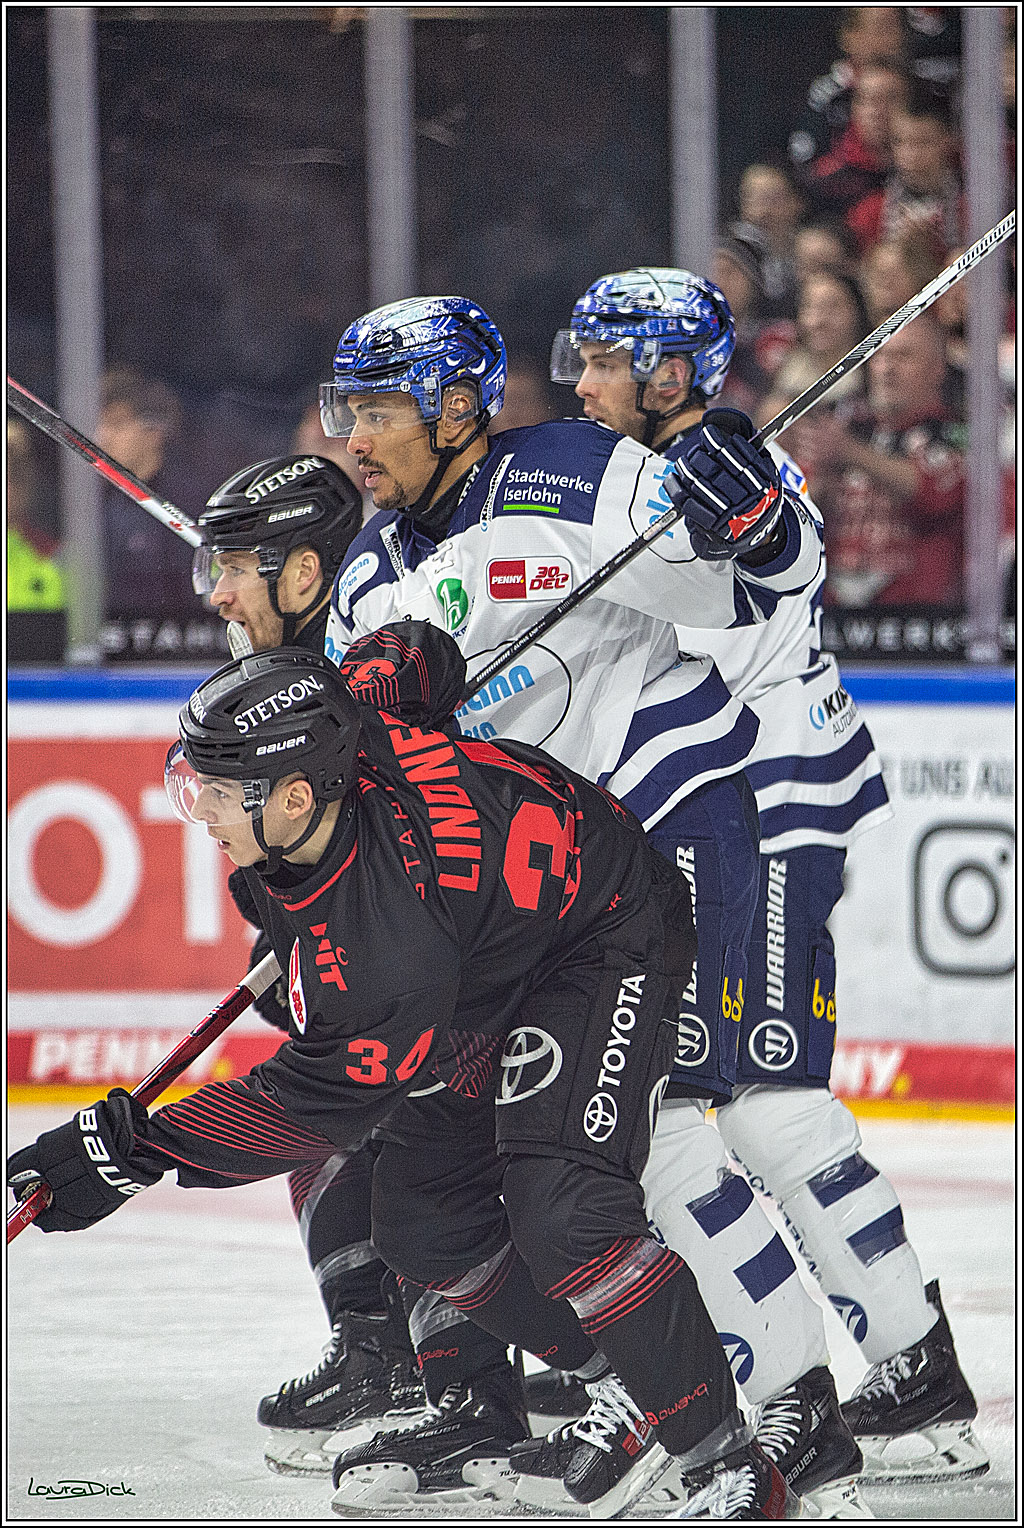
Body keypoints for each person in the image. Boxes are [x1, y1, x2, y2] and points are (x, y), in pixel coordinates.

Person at [8, 636, 802, 1522]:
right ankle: (622, 1373)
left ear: (300, 796)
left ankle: (725, 1462)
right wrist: (382, 668)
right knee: (425, 1224)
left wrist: (134, 1149)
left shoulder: (388, 944)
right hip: (489, 955)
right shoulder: (352, 726)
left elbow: (309, 1109)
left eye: (221, 796)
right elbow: (424, 654)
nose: (203, 814)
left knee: (565, 1206)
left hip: (604, 937)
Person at [318, 292, 857, 1516]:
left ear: (461, 408)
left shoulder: (573, 474)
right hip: (544, 896)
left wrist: (754, 519)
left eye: (382, 408)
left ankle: (785, 1405)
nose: (355, 434)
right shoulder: (367, 572)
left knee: (651, 1139)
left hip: (672, 833)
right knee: (527, 1161)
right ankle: (684, 1385)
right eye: (345, 406)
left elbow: (755, 579)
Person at [555, 268, 987, 1492]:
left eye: (601, 363)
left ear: (670, 374)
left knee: (753, 1108)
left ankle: (886, 1382)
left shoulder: (728, 465)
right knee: (739, 1107)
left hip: (761, 808)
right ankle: (898, 1374)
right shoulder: (650, 469)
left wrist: (737, 506)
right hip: (732, 809)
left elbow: (769, 569)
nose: (579, 386)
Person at [802, 314, 966, 611]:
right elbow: (799, 513)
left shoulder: (954, 431)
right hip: (834, 617)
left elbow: (934, 494)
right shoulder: (847, 423)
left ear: (937, 370)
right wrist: (821, 481)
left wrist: (848, 452)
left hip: (919, 624)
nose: (887, 369)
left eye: (904, 357)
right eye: (880, 356)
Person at [846, 88, 964, 258]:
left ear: (948, 141)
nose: (909, 154)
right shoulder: (870, 213)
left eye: (922, 142)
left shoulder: (973, 206)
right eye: (899, 142)